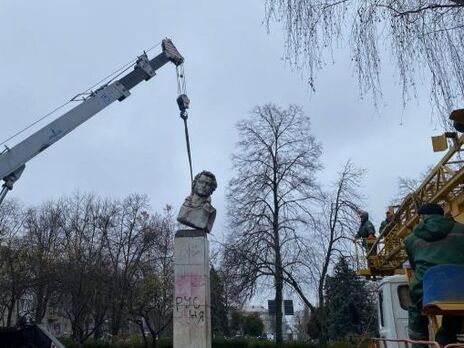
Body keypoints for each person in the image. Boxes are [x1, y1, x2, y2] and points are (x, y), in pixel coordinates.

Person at [404, 202, 464, 346]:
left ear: (422, 217)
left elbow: (414, 266)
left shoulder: (410, 239)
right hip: (460, 289)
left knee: (415, 308)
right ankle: (445, 341)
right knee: (455, 308)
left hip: (426, 292)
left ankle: (419, 344)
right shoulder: (461, 230)